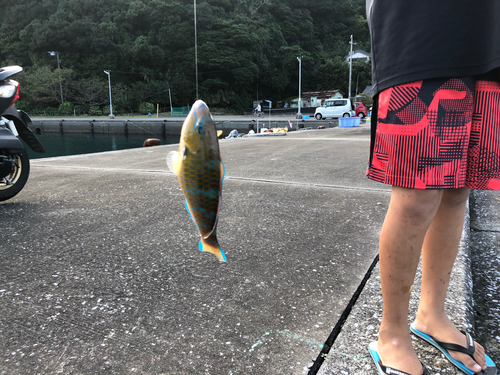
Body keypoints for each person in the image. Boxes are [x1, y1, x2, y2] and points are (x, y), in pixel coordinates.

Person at [365, 1, 500, 375]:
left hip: (489, 41)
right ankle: (391, 334)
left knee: (459, 189)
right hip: (421, 33)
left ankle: (432, 314)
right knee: (416, 196)